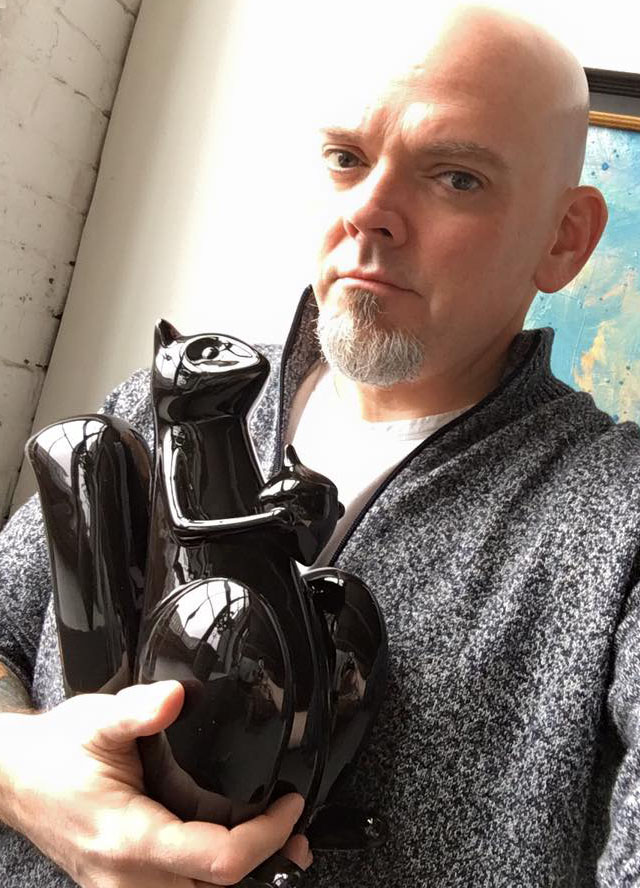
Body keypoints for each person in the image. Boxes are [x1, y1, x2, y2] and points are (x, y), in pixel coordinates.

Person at [1, 4, 638, 886]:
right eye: (347, 157)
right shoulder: (161, 402)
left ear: (563, 240)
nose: (369, 210)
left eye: (456, 178)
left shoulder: (620, 521)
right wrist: (17, 768)